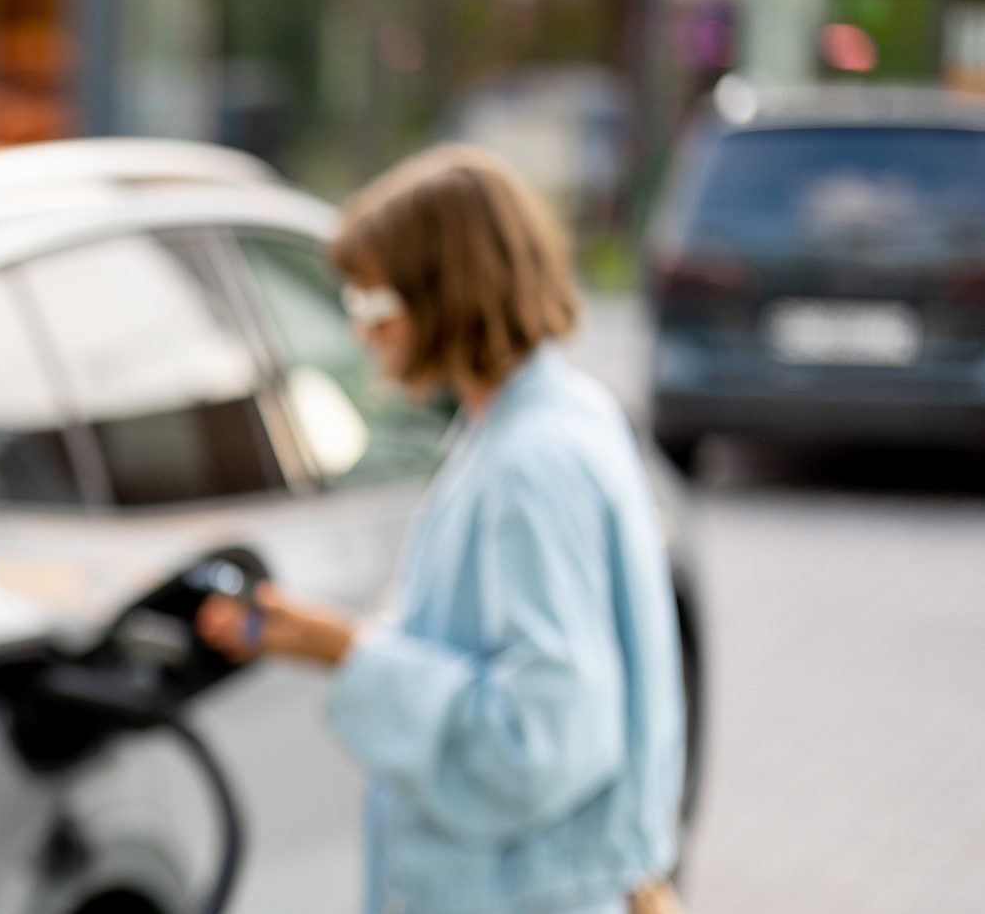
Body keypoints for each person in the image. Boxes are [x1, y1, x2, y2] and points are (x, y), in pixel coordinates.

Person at [197, 145, 686, 914]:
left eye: (371, 304)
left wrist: (349, 652)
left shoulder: (529, 464)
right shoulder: (552, 416)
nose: (361, 332)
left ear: (444, 297)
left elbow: (542, 739)